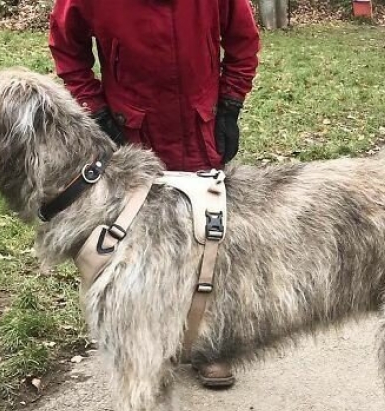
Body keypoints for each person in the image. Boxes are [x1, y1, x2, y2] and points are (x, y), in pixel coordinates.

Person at [49, 0, 261, 390]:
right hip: (133, 136)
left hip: (201, 128)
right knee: (142, 243)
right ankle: (151, 334)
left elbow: (243, 40)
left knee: (209, 237)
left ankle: (211, 344)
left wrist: (230, 103)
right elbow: (67, 48)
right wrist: (96, 111)